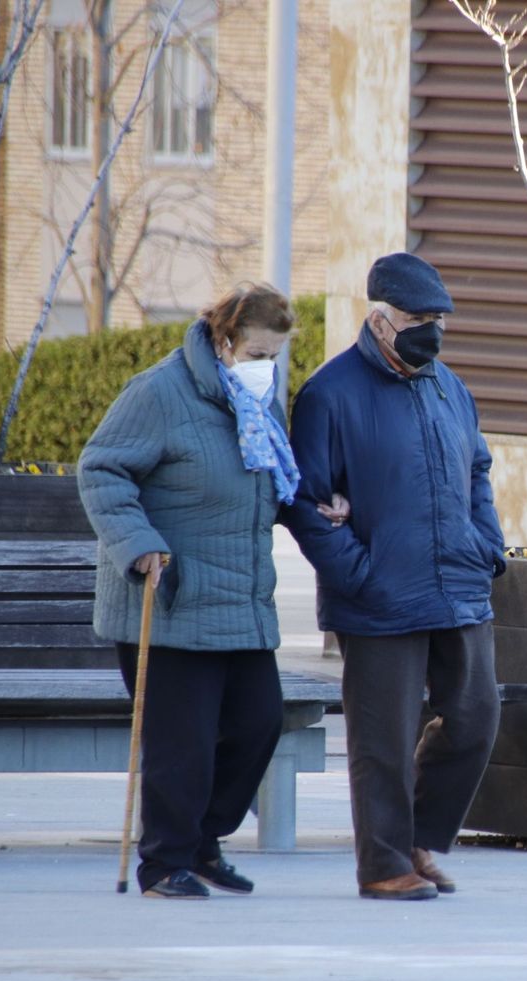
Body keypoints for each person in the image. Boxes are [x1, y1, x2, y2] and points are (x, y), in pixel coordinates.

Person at [79, 282, 340, 899]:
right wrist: (137, 543)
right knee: (182, 744)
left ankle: (202, 840)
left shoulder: (258, 406)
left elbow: (265, 488)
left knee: (259, 724)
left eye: (275, 355)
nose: (266, 368)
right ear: (223, 341)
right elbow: (102, 468)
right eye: (255, 353)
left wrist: (318, 508)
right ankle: (164, 861)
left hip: (240, 602)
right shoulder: (159, 393)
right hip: (170, 597)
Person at [285, 252, 506, 901]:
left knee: (475, 717)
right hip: (379, 596)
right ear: (381, 322)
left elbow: (477, 470)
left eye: (438, 320)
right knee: (381, 739)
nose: (431, 332)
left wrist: (486, 543)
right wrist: (360, 574)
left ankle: (416, 837)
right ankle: (383, 863)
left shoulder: (448, 386)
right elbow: (303, 501)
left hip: (458, 582)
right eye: (418, 319)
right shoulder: (329, 394)